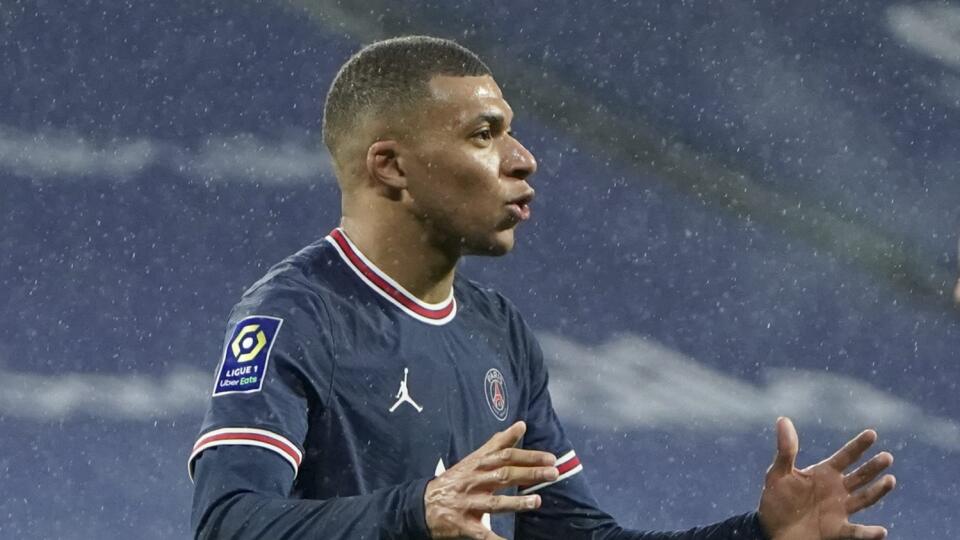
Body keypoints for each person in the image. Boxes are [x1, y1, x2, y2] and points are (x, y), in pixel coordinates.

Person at [189, 36, 895, 540]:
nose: (523, 160)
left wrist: (758, 533)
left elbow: (576, 537)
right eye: (485, 134)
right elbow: (227, 522)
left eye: (513, 133)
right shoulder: (294, 316)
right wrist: (418, 510)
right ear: (391, 167)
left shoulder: (499, 333)